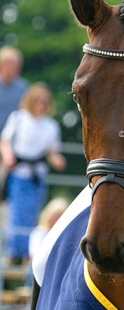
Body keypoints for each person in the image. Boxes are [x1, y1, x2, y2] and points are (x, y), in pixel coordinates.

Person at [0, 82, 66, 264]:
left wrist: (57, 160)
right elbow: (5, 141)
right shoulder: (19, 118)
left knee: (33, 212)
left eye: (44, 101)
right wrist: (8, 156)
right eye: (38, 100)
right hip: (19, 171)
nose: (41, 105)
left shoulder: (50, 126)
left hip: (37, 173)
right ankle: (14, 252)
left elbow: (51, 151)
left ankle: (27, 253)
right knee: (16, 213)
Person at [0, 46, 28, 133]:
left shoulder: (24, 88)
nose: (14, 68)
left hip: (12, 140)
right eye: (10, 64)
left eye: (16, 65)